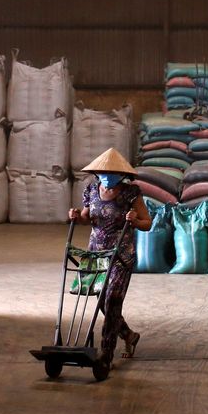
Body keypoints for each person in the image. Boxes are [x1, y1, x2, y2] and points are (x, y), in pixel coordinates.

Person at [68, 148, 152, 368]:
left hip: (121, 255)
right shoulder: (92, 191)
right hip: (95, 254)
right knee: (103, 302)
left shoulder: (130, 193)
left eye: (112, 172)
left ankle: (106, 353)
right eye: (103, 172)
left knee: (113, 299)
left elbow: (147, 223)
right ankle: (129, 335)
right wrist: (77, 216)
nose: (107, 176)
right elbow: (87, 218)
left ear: (121, 174)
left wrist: (134, 220)